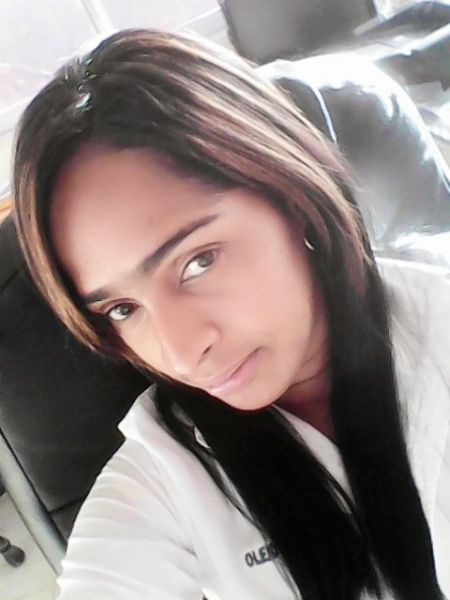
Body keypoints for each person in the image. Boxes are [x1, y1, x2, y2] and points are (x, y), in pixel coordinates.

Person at [12, 29, 449, 600]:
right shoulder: (161, 480)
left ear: (293, 196)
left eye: (197, 262)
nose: (180, 353)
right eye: (123, 308)